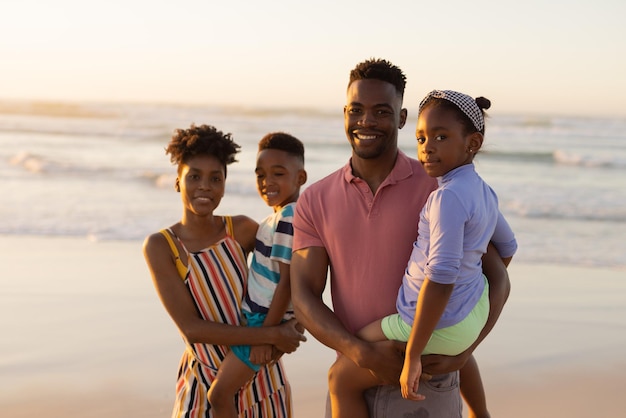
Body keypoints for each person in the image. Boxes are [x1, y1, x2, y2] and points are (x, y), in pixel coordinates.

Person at [291, 58, 512, 418]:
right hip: (354, 377)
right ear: (344, 113)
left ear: (402, 117)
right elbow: (303, 298)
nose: (366, 121)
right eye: (356, 110)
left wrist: (465, 350)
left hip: (426, 384)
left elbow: (496, 273)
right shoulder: (315, 199)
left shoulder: (441, 187)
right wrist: (360, 353)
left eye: (381, 111)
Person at [143, 124, 306, 418]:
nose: (205, 186)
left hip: (262, 376)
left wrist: (294, 328)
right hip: (206, 383)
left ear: (224, 185)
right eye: (194, 176)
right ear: (177, 181)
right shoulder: (161, 246)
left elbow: (292, 272)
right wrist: (272, 334)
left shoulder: (240, 230)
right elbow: (191, 329)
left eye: (215, 178)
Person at [207, 132, 308, 418]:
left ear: (300, 177)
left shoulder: (290, 217)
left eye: (278, 173)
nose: (267, 182)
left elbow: (288, 282)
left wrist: (266, 336)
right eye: (260, 174)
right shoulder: (275, 218)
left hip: (263, 323)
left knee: (220, 395)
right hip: (260, 322)